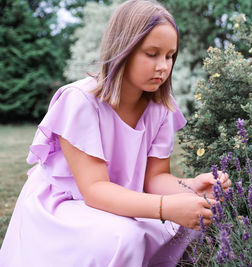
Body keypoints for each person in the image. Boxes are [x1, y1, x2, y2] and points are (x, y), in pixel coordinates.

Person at [0, 0, 231, 266]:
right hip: (64, 207)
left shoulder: (159, 109)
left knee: (191, 223)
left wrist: (189, 187)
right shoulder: (81, 102)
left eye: (170, 56)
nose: (163, 66)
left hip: (118, 200)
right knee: (124, 237)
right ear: (124, 49)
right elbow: (95, 190)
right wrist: (167, 207)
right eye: (152, 53)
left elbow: (154, 178)